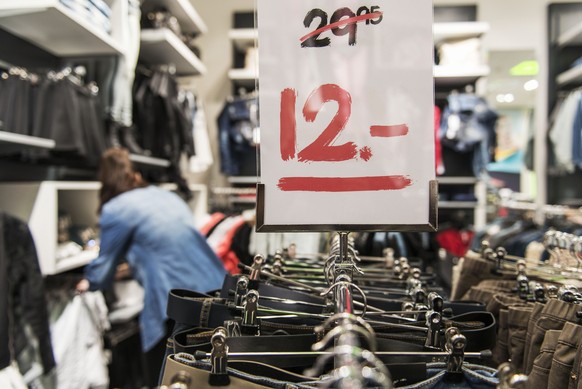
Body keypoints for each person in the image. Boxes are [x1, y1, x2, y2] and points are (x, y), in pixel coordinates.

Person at [76, 147, 227, 388]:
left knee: (166, 375)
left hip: (179, 301)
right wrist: (132, 269)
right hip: (217, 286)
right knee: (208, 375)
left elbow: (101, 271)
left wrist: (86, 282)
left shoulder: (115, 210)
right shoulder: (164, 195)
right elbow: (165, 248)